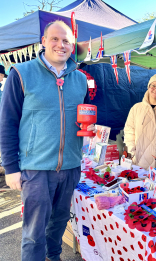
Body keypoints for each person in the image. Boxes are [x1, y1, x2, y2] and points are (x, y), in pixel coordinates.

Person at [0, 20, 90, 261]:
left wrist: (85, 127)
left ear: (72, 46)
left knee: (59, 222)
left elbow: (84, 114)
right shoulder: (21, 73)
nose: (61, 45)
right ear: (43, 42)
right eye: (55, 39)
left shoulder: (80, 79)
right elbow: (7, 122)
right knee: (33, 233)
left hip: (70, 166)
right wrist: (10, 168)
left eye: (66, 41)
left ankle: (54, 256)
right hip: (36, 168)